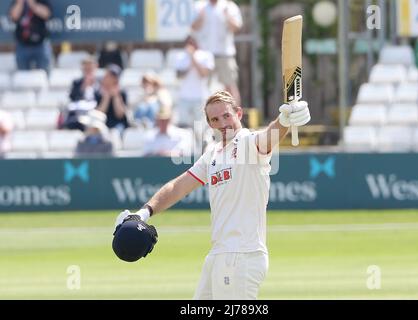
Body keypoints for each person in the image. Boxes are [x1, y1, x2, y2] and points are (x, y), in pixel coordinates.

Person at [113, 90, 311, 299]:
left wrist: (284, 120)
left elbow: (268, 137)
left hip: (241, 256)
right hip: (219, 255)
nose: (223, 123)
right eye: (215, 119)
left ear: (239, 113)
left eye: (227, 115)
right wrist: (144, 213)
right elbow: (178, 187)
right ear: (210, 124)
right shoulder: (213, 154)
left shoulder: (248, 143)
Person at [191, 0, 243, 106]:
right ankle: (205, 119)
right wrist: (200, 17)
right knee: (203, 88)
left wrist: (227, 16)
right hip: (205, 55)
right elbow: (193, 27)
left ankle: (235, 118)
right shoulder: (199, 6)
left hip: (225, 54)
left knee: (230, 87)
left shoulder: (229, 6)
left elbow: (236, 27)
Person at [175, 35, 215, 129]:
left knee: (199, 127)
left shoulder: (206, 55)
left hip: (200, 97)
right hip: (184, 97)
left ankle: (199, 144)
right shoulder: (180, 56)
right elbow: (179, 76)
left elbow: (204, 74)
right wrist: (190, 63)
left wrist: (193, 58)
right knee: (183, 127)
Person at [9, 0, 52, 74]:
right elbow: (14, 16)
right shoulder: (18, 2)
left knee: (44, 74)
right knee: (23, 76)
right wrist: (20, 3)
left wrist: (32, 4)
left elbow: (46, 14)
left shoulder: (41, 1)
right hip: (22, 45)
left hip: (40, 44)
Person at [95, 64, 129, 132]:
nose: (105, 78)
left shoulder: (122, 93)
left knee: (116, 131)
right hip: (102, 124)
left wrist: (116, 96)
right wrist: (106, 97)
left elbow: (120, 114)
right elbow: (99, 114)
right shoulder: (98, 93)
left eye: (108, 76)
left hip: (118, 125)